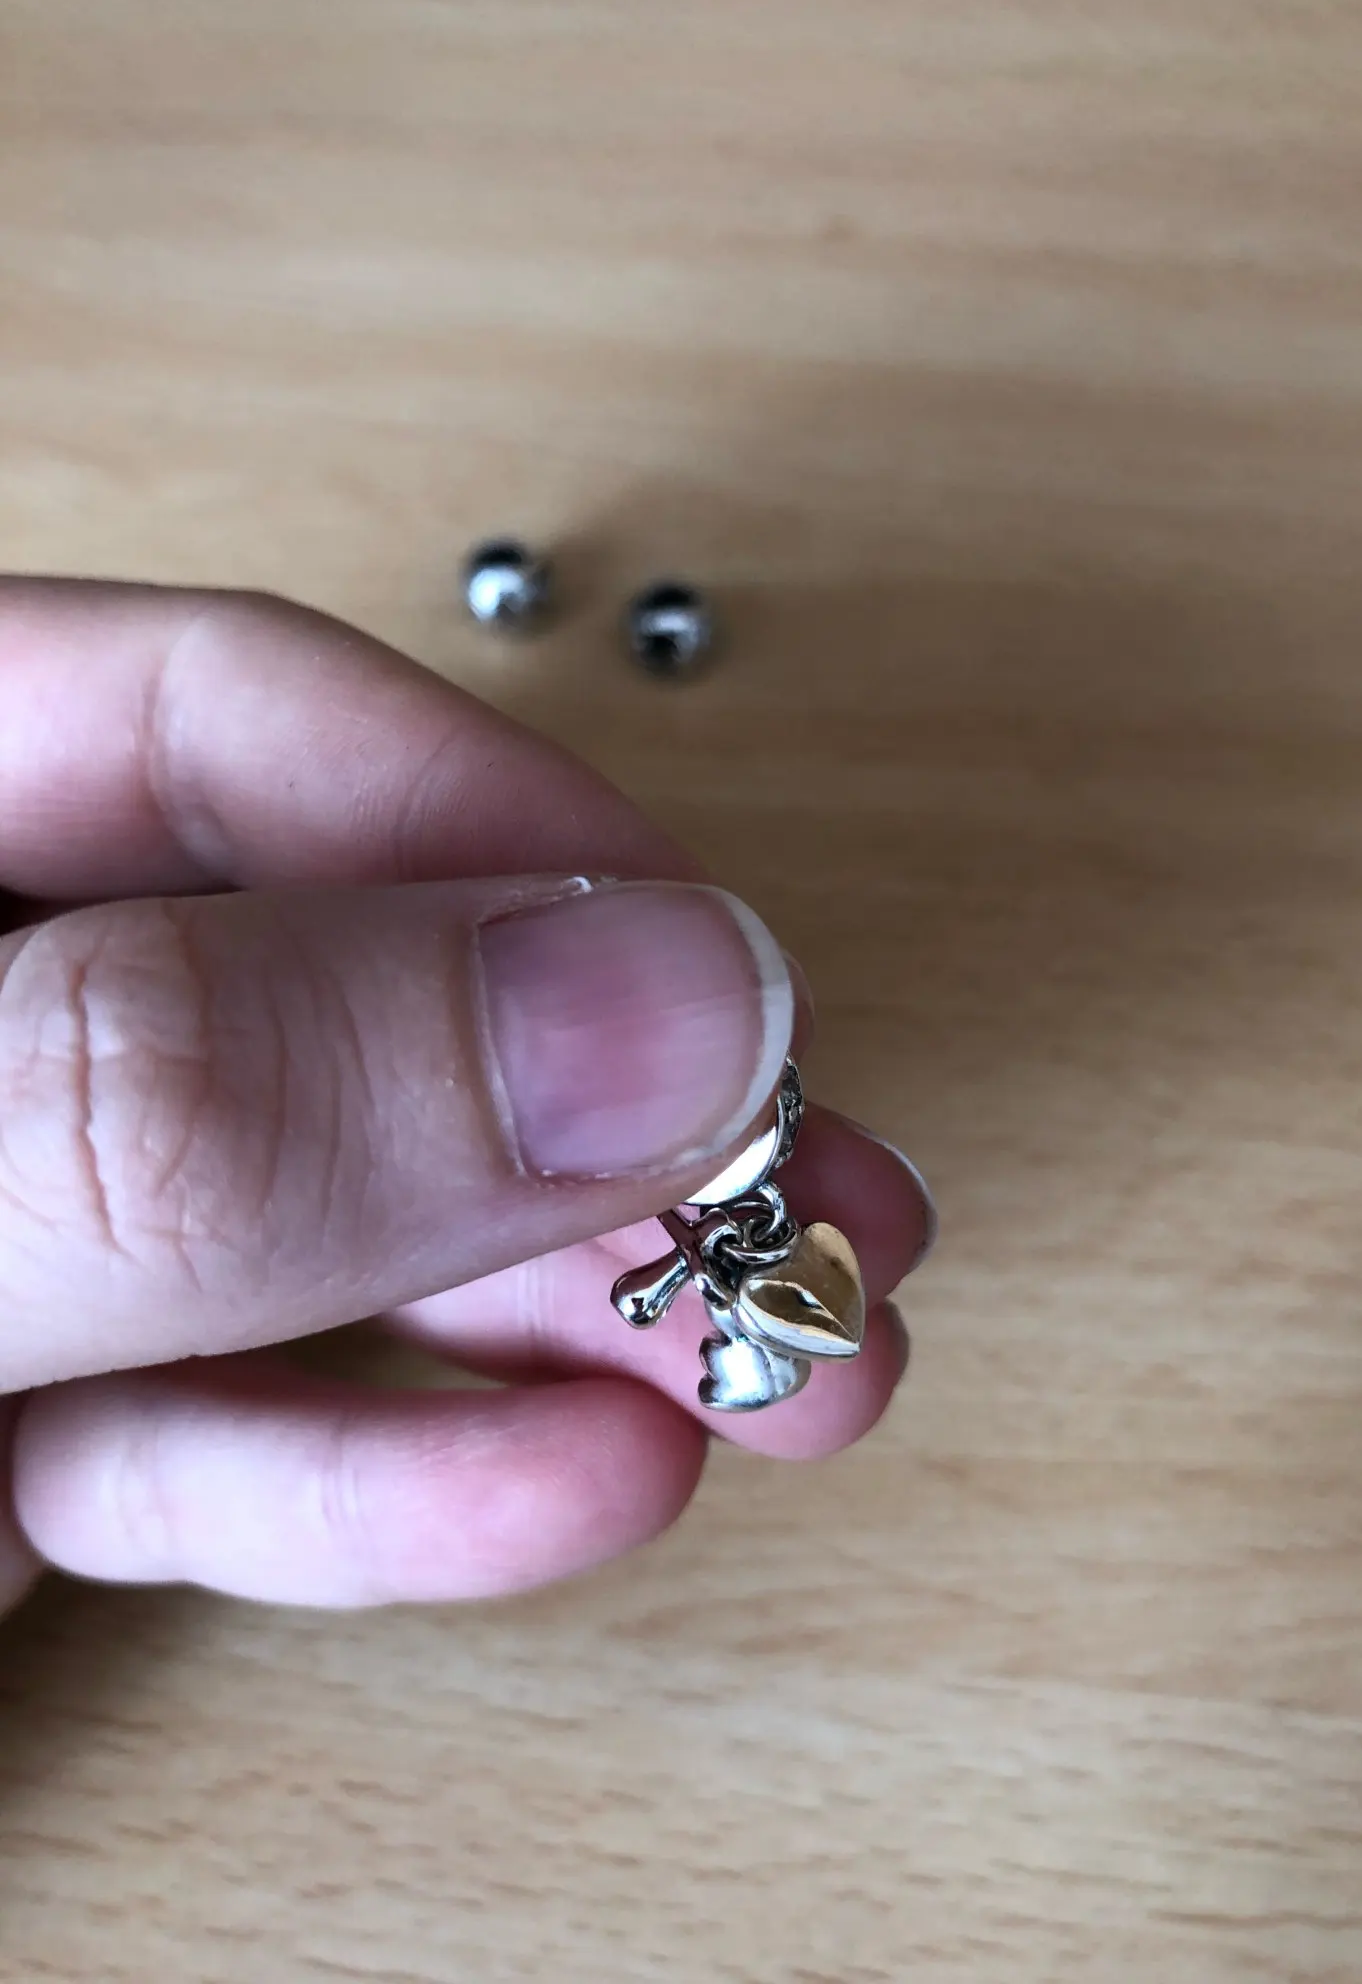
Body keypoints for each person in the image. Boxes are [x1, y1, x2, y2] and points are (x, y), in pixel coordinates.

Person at [0, 580, 933, 1618]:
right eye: (732, 1352)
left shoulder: (726, 1236)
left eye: (716, 1353)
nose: (714, 1343)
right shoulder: (719, 1223)